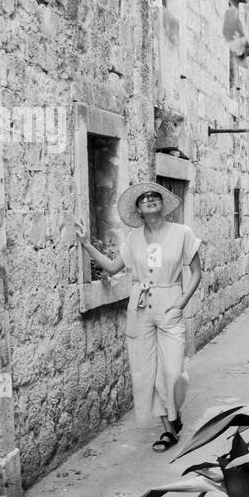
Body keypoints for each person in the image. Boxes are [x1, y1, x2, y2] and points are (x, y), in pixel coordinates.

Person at [74, 182, 203, 451]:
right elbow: (111, 268)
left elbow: (196, 272)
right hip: (140, 308)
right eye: (143, 198)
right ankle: (168, 428)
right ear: (138, 209)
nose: (149, 199)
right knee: (146, 371)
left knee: (172, 371)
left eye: (154, 196)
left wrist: (180, 303)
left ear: (162, 204)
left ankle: (173, 412)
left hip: (170, 304)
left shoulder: (182, 233)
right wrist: (86, 244)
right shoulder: (133, 238)